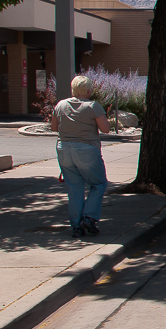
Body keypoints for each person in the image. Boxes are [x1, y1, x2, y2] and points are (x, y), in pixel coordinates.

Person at [50, 75, 111, 238]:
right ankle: (89, 217)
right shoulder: (93, 106)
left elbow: (54, 127)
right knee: (98, 183)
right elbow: (105, 129)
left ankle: (76, 226)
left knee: (74, 188)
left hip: (63, 149)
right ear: (89, 90)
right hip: (86, 149)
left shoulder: (61, 105)